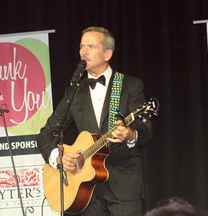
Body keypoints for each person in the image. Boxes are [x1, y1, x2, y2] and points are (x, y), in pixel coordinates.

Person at [37, 26, 153, 216]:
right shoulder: (74, 92)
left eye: (90, 46)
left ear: (107, 54)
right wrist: (58, 158)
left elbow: (145, 129)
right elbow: (47, 133)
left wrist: (131, 134)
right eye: (82, 46)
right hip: (85, 189)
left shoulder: (130, 85)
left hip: (123, 182)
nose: (83, 52)